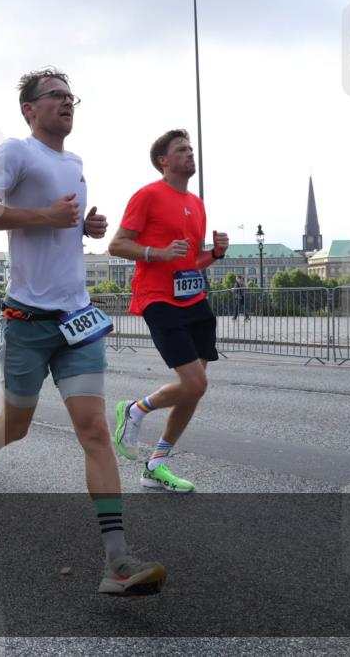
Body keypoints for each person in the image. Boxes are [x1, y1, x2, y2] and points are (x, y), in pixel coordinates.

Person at [0, 67, 165, 596]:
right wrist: (43, 214)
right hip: (26, 320)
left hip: (78, 319)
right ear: (30, 108)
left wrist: (83, 227)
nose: (67, 103)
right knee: (14, 426)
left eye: (72, 97)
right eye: (56, 96)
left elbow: (60, 228)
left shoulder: (76, 163)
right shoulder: (15, 152)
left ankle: (116, 562)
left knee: (93, 429)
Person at [108, 128, 229, 494]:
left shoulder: (197, 203)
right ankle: (134, 410)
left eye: (191, 148)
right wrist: (156, 253)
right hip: (158, 300)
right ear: (164, 160)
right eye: (182, 149)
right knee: (196, 383)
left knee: (193, 390)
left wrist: (217, 254)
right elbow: (117, 245)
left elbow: (191, 262)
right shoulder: (147, 196)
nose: (190, 153)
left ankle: (156, 464)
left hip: (194, 301)